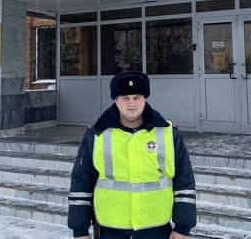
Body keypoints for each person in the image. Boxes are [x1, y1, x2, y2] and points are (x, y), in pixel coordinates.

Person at [67, 70, 197, 239]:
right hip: (111, 230)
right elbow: (81, 183)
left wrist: (182, 227)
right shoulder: (96, 135)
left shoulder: (168, 134)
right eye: (125, 98)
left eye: (137, 97)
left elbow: (184, 180)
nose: (131, 103)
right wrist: (80, 231)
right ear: (116, 100)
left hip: (156, 230)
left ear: (145, 98)